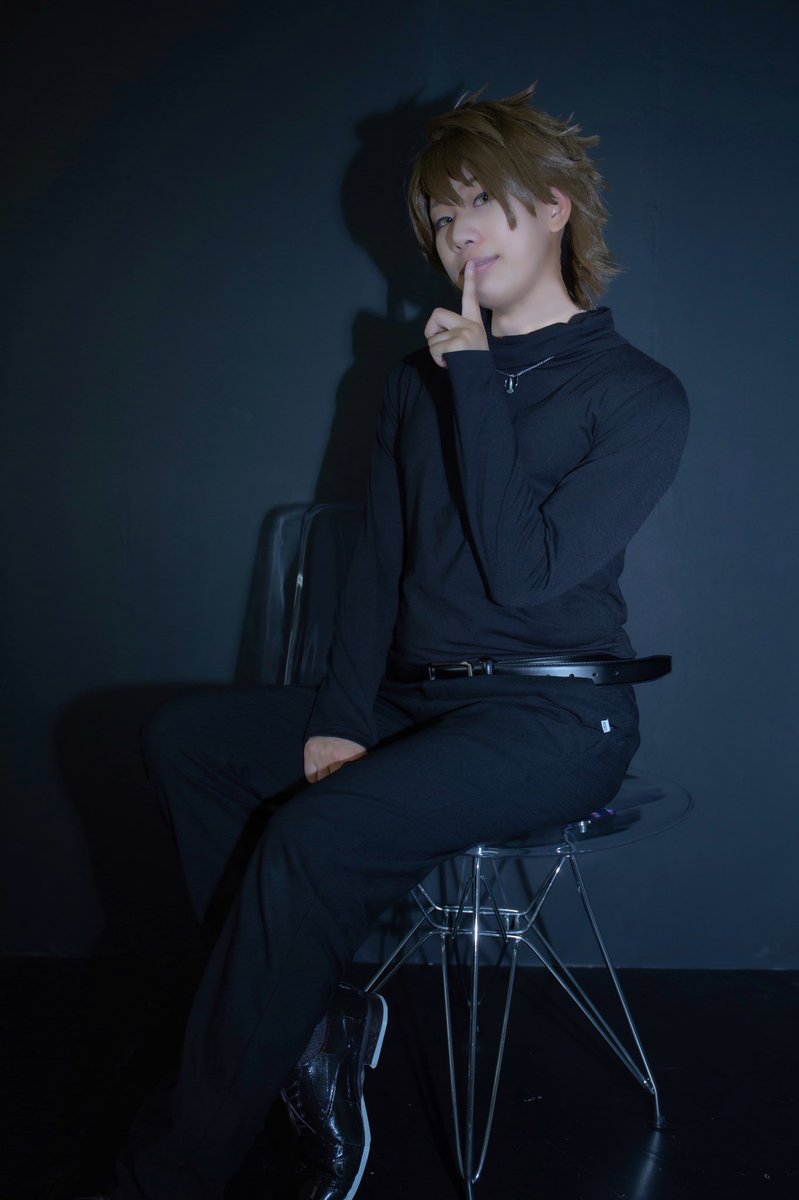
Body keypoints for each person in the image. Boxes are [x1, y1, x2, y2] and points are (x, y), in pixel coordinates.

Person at [88, 83, 689, 1200]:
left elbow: (523, 571)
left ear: (553, 206)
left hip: (554, 718)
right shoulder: (419, 382)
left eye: (481, 202)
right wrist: (339, 716)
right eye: (441, 215)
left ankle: (162, 1174)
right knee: (188, 743)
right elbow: (379, 563)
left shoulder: (636, 395)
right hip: (420, 700)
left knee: (314, 838)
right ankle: (309, 1031)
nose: (459, 233)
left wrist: (474, 376)